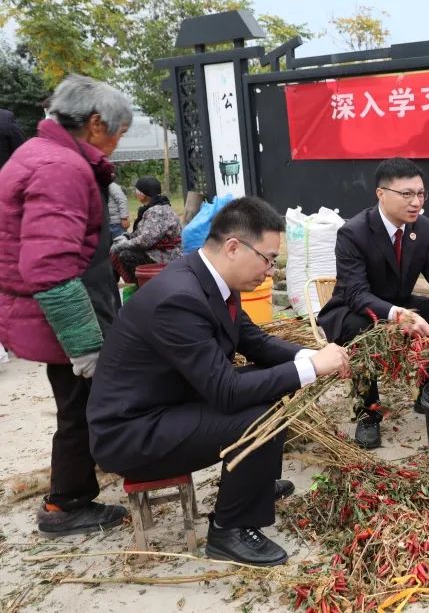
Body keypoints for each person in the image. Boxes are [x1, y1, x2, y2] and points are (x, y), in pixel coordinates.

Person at [87, 197, 351, 567]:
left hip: (168, 403)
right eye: (269, 259)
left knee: (270, 387)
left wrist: (309, 357)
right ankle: (230, 530)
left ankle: (253, 485)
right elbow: (226, 392)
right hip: (133, 433)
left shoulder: (209, 281)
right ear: (233, 247)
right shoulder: (179, 298)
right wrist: (312, 369)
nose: (271, 271)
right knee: (259, 416)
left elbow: (254, 341)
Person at [0, 75, 132, 536]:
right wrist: (86, 347)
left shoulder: (39, 154)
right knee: (81, 405)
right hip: (66, 315)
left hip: (70, 306)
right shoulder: (61, 167)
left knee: (79, 403)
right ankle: (67, 504)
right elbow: (51, 269)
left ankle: (82, 483)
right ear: (96, 124)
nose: (117, 144)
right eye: (119, 133)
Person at [317, 157, 429, 448]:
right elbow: (356, 293)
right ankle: (368, 413)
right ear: (381, 194)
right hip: (353, 310)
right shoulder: (354, 232)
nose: (416, 202)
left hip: (398, 303)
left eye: (421, 194)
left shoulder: (421, 228)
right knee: (364, 331)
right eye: (406, 194)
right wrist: (398, 315)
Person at [110, 176, 182, 281]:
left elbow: (145, 241)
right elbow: (140, 232)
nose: (136, 193)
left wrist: (123, 244)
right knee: (118, 249)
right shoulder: (150, 209)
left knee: (125, 255)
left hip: (167, 255)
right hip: (157, 251)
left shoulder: (158, 211)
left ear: (142, 195)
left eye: (137, 190)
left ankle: (141, 286)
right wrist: (126, 236)